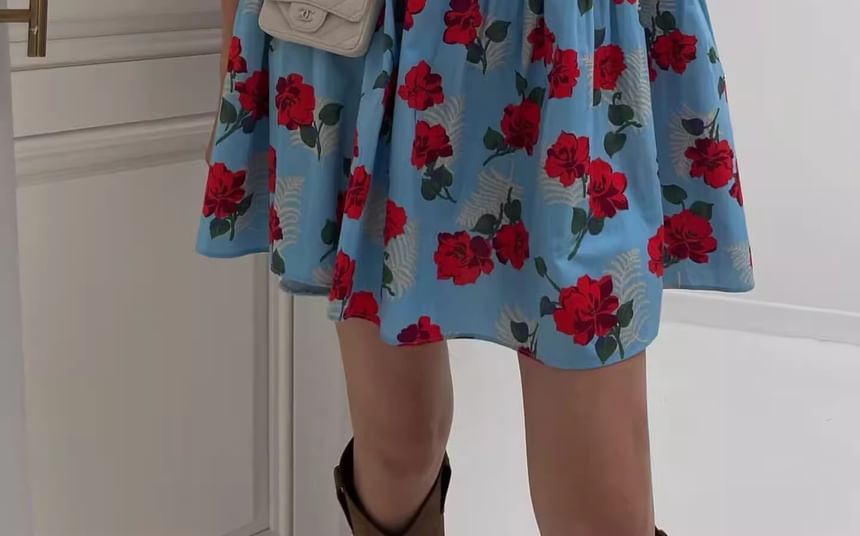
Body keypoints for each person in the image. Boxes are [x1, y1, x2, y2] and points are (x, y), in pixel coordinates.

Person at [199, 1, 754, 534]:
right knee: (397, 447)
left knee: (601, 506)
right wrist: (234, 68)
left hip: (570, 39)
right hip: (359, 34)